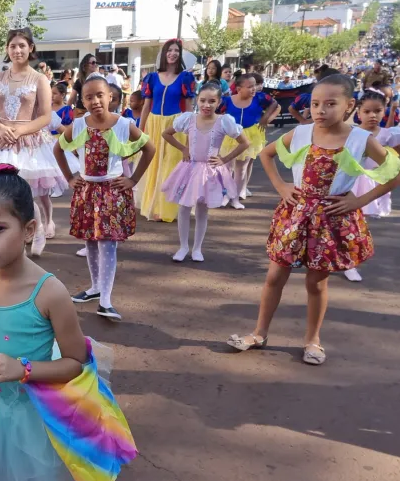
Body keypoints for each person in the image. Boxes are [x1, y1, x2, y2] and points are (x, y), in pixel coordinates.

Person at [0, 165, 137, 481]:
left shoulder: (49, 292)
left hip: (31, 412)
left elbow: (76, 362)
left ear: (29, 229)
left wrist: (24, 369)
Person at [227, 74, 400, 366]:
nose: (321, 110)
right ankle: (259, 333)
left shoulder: (361, 139)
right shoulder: (302, 132)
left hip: (330, 221)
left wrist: (358, 201)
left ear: (349, 106)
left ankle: (313, 339)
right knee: (274, 276)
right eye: (316, 103)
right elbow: (267, 154)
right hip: (295, 215)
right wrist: (281, 187)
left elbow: (393, 172)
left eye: (331, 104)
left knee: (316, 283)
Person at [55, 74, 155, 319]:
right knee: (90, 240)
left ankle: (106, 300)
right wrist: (70, 176)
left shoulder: (123, 124)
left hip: (112, 192)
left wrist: (133, 180)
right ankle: (95, 288)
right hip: (87, 191)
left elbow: (149, 148)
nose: (95, 101)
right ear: (83, 101)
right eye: (89, 97)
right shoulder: (78, 125)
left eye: (100, 95)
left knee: (108, 244)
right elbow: (58, 148)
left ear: (111, 97)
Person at [0, 28, 68, 257]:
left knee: (24, 191)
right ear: (7, 49)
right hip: (0, 139)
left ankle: (36, 230)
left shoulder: (39, 79)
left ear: (31, 48)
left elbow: (46, 116)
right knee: (3, 192)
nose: (17, 50)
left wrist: (19, 132)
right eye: (13, 46)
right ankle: (17, 236)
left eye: (21, 45)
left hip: (29, 140)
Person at [161, 82, 249, 262]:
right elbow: (166, 134)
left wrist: (224, 159)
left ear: (219, 102)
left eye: (211, 101)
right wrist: (183, 149)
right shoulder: (188, 119)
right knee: (184, 207)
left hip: (209, 172)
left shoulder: (224, 121)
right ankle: (183, 246)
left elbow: (244, 143)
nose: (206, 105)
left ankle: (197, 248)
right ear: (196, 100)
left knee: (202, 209)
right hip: (189, 169)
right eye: (202, 100)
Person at [343, 90, 400, 283]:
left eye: (377, 111)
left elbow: (394, 156)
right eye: (367, 111)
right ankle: (347, 262)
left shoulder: (388, 134)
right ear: (358, 112)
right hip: (351, 183)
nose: (372, 115)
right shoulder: (349, 132)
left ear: (384, 112)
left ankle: (350, 261)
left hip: (373, 185)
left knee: (359, 226)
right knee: (350, 225)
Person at [138, 38, 197, 222]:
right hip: (154, 124)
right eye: (169, 50)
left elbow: (188, 109)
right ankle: (155, 206)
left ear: (180, 55)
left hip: (176, 125)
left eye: (176, 51)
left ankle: (170, 208)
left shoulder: (185, 78)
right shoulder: (152, 78)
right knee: (154, 165)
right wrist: (140, 132)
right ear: (163, 54)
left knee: (172, 164)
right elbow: (146, 106)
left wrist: (189, 138)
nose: (172, 53)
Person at [218, 73, 280, 207]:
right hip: (230, 136)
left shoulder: (260, 98)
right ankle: (226, 194)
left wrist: (266, 117)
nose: (254, 89)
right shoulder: (227, 100)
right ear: (239, 89)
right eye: (250, 86)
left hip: (250, 135)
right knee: (226, 167)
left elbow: (274, 103)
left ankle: (235, 198)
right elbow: (217, 113)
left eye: (255, 86)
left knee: (241, 168)